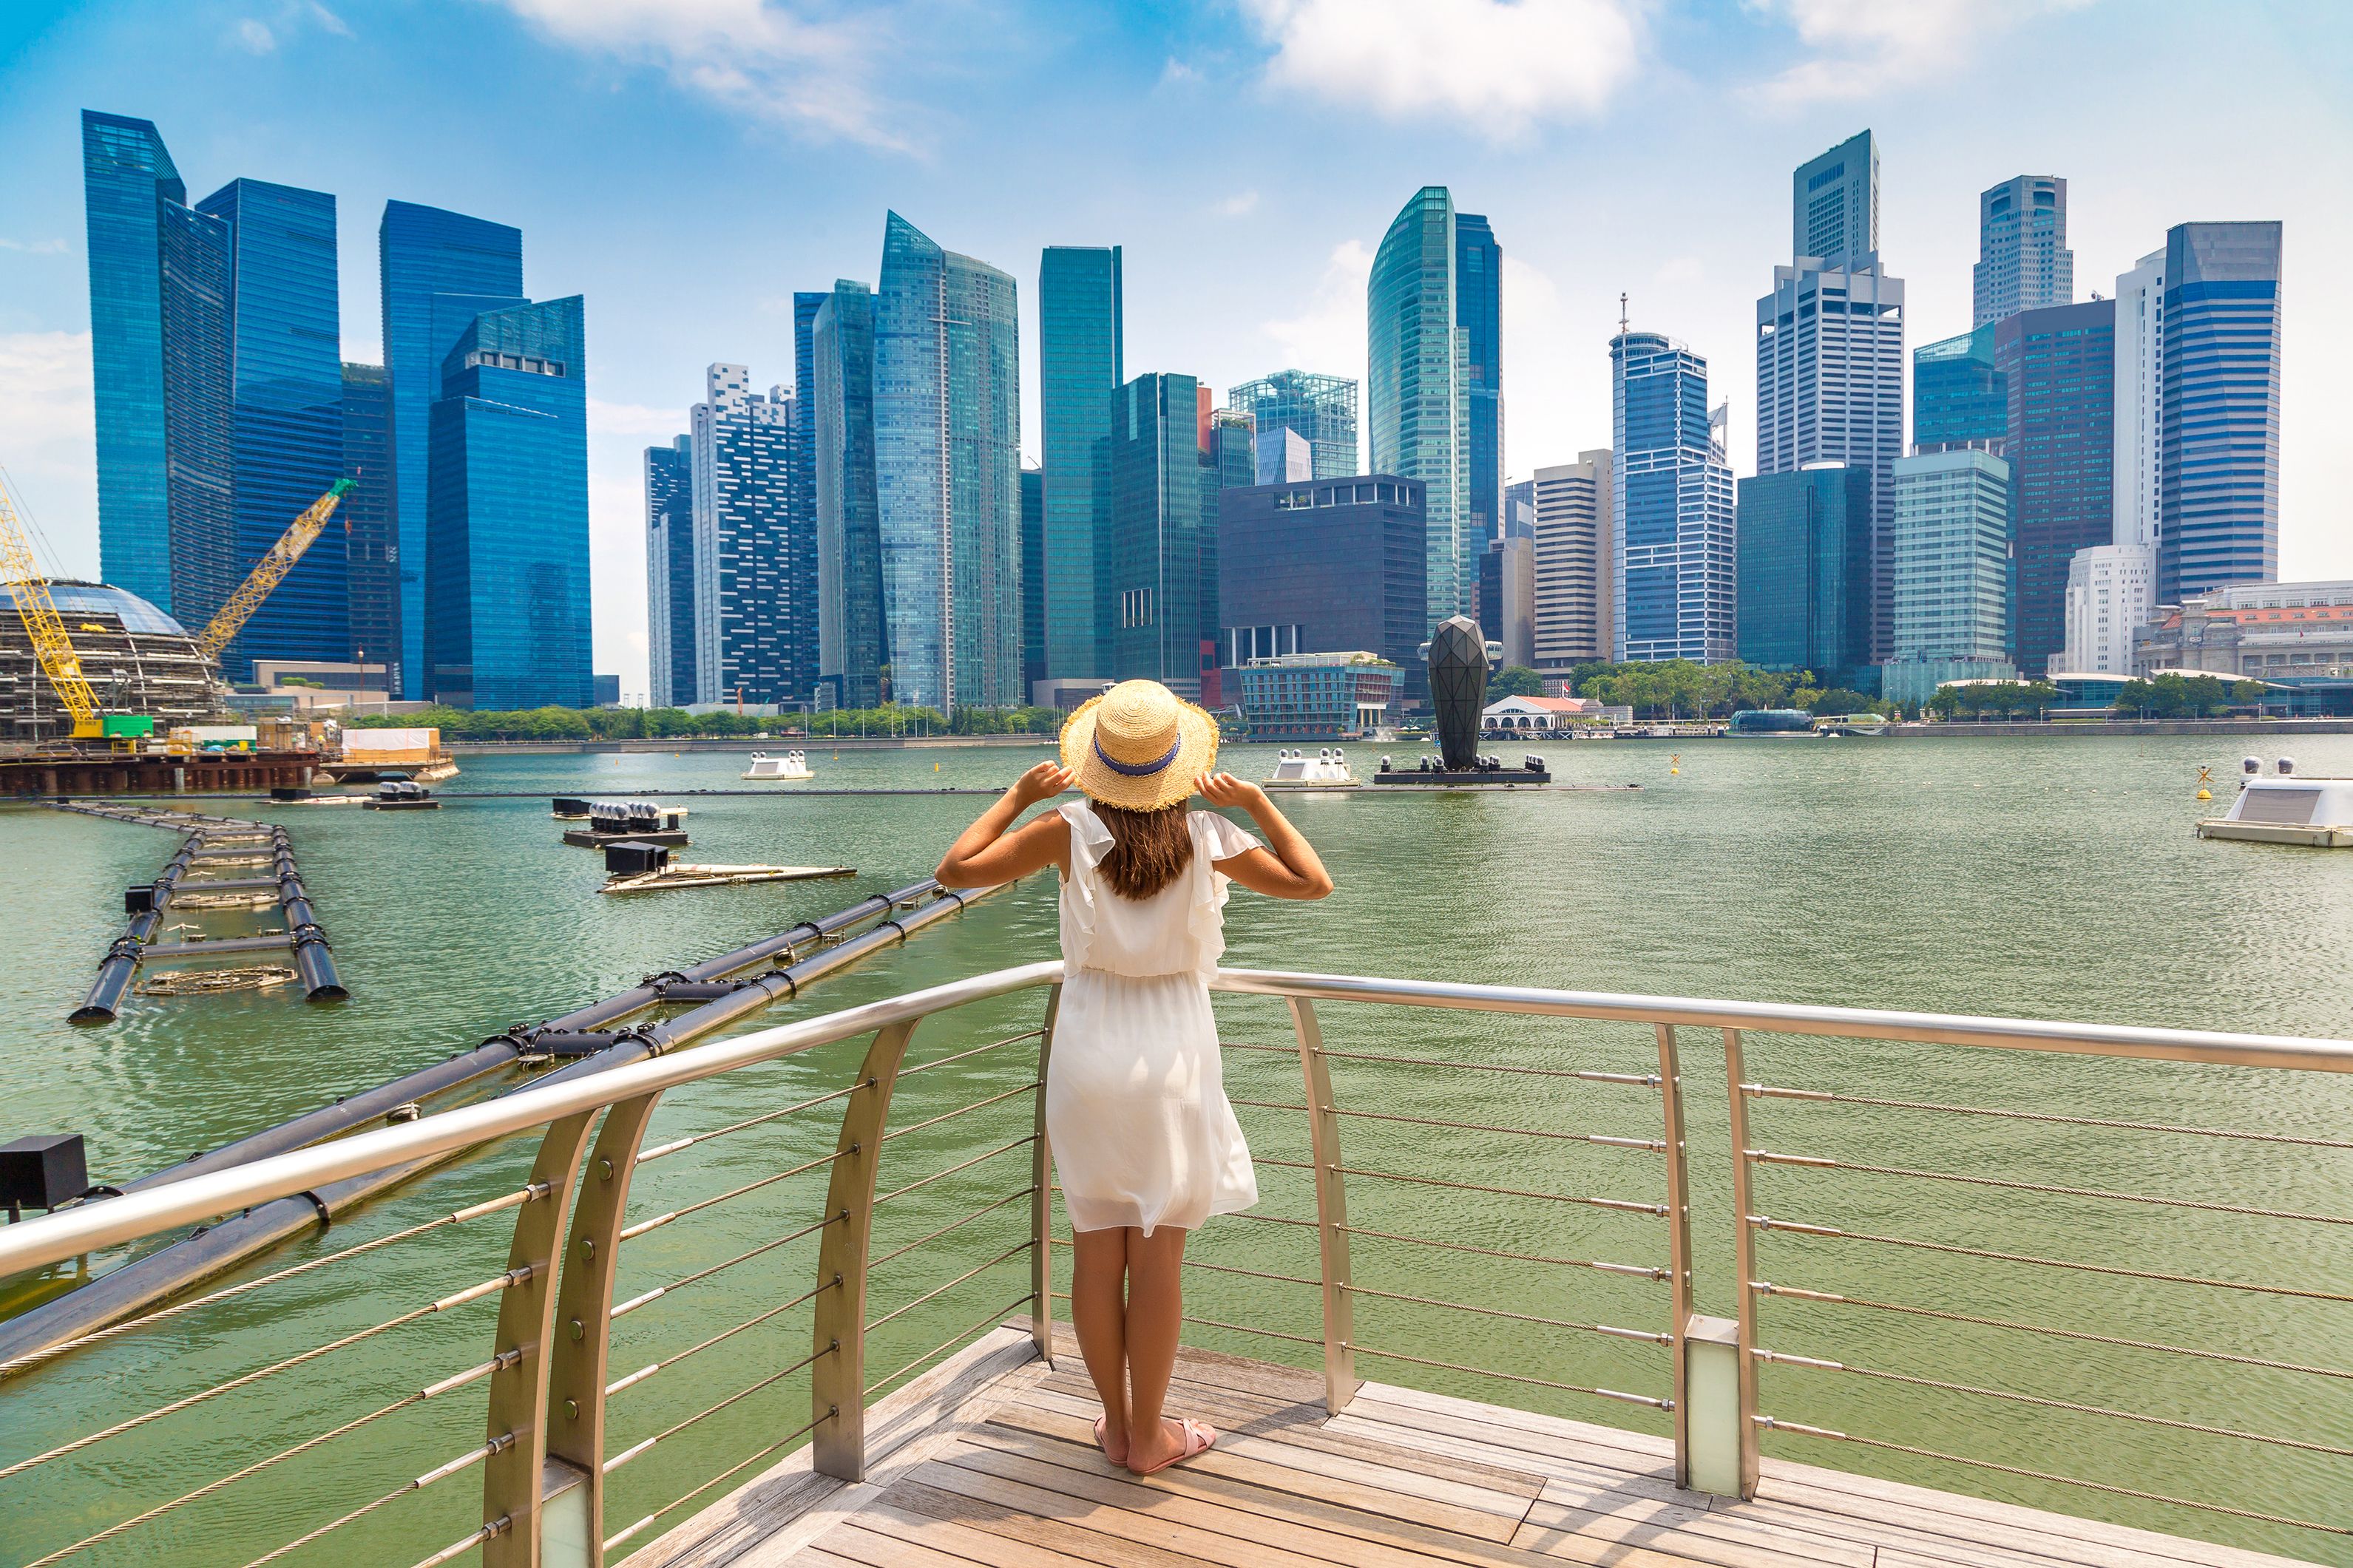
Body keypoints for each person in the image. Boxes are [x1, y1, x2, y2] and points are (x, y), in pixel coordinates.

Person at [935, 679, 1333, 1475]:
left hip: (1088, 1050)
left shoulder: (1065, 830)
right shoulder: (1211, 833)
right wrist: (1258, 802)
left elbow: (955, 870)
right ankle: (1151, 1437)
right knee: (1156, 1260)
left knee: (1094, 1251)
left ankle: (1115, 1427)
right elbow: (1312, 881)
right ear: (1178, 763)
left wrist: (1018, 796)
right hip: (1174, 1054)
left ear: (1097, 762)